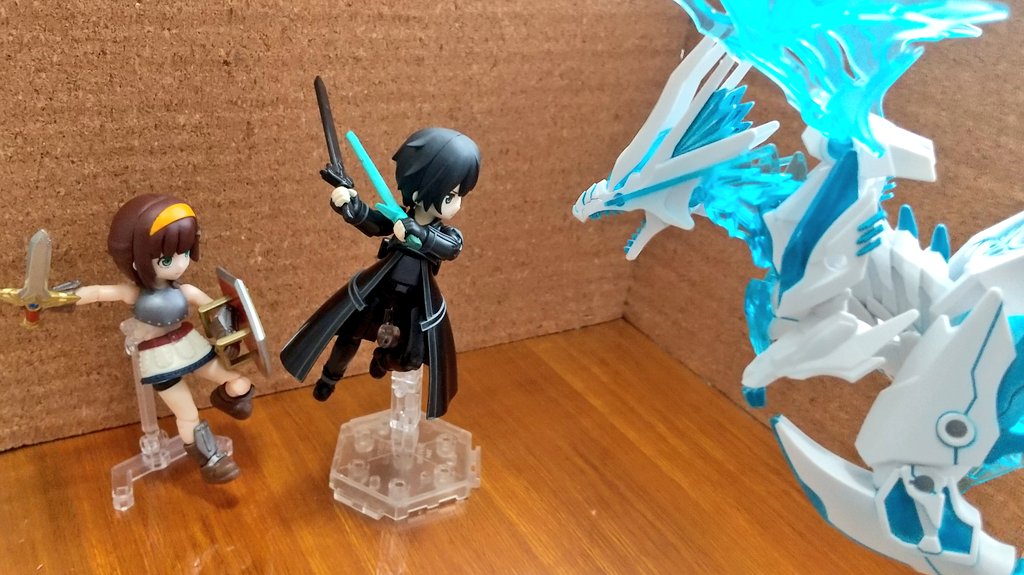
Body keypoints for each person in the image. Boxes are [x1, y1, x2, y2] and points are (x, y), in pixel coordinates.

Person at [280, 127, 481, 418]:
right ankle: (329, 378)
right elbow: (374, 222)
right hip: (379, 288)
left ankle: (383, 360)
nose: (457, 202)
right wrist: (350, 206)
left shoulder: (442, 233)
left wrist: (419, 234)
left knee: (410, 358)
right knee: (348, 335)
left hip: (415, 302)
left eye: (459, 195)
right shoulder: (400, 217)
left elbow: (451, 248)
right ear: (421, 189)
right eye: (451, 195)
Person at [75, 194, 255, 483]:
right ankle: (210, 460)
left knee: (238, 382)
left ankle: (224, 399)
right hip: (159, 361)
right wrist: (57, 298)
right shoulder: (135, 294)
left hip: (191, 347)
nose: (180, 264)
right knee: (187, 413)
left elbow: (218, 310)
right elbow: (97, 292)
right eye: (168, 259)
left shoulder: (185, 291)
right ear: (136, 261)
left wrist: (230, 334)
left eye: (185, 253)